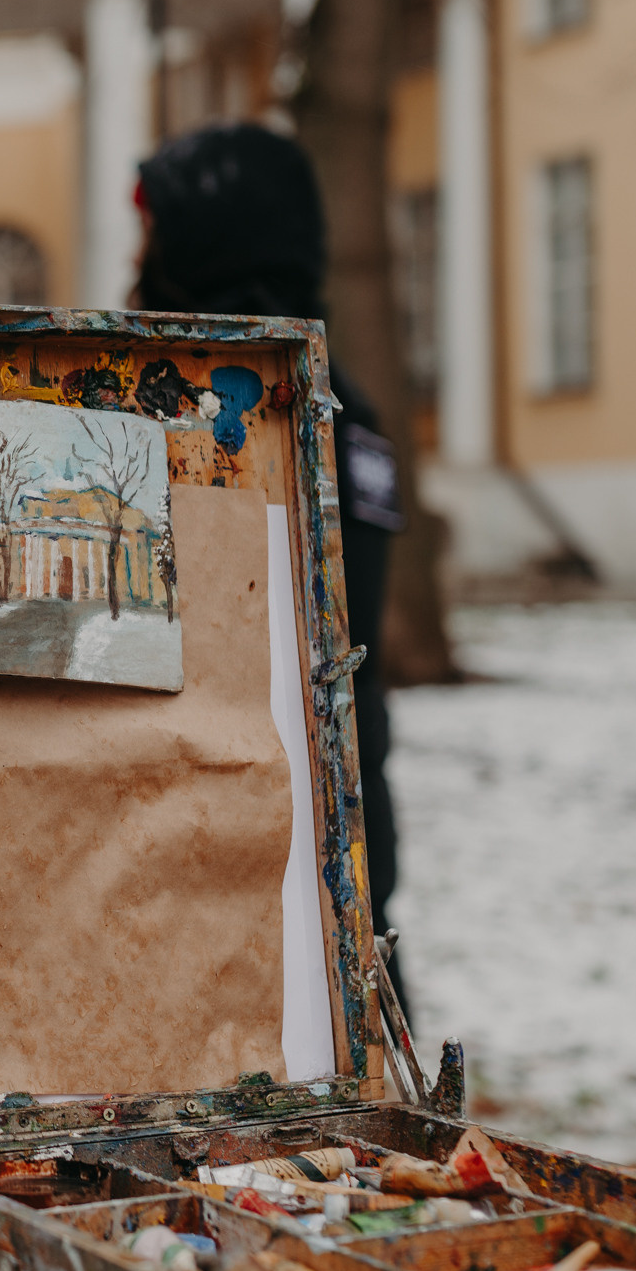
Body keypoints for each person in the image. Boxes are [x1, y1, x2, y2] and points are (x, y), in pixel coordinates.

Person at [131, 125, 410, 1001]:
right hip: (247, 823)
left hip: (282, 833)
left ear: (210, 239)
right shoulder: (309, 401)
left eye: (153, 229)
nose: (138, 256)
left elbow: (328, 641)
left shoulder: (279, 410)